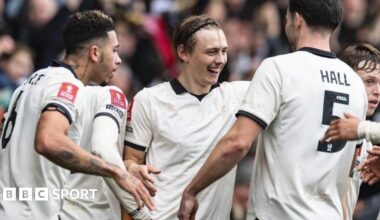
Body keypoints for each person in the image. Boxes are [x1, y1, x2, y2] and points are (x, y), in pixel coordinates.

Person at [178, 1, 368, 219]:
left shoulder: (279, 68)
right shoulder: (356, 85)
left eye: (287, 18)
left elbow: (237, 143)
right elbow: (350, 166)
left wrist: (192, 190)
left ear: (297, 19)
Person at [0, 10, 153, 220]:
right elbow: (48, 140)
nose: (118, 60)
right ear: (95, 53)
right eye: (115, 51)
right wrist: (115, 171)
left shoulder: (32, 81)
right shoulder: (67, 85)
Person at [124, 14, 249, 220]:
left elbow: (293, 91)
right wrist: (133, 168)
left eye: (224, 51)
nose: (220, 60)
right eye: (211, 52)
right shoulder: (149, 100)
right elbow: (130, 160)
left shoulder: (238, 96)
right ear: (184, 52)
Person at [61, 85, 150, 220]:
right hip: (90, 212)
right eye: (114, 60)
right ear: (92, 61)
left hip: (45, 208)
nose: (118, 62)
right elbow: (103, 150)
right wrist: (140, 212)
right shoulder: (110, 94)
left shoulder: (39, 88)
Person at [336, 43, 380, 220]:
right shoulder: (323, 127)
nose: (378, 91)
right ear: (347, 79)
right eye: (369, 82)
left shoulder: (367, 139)